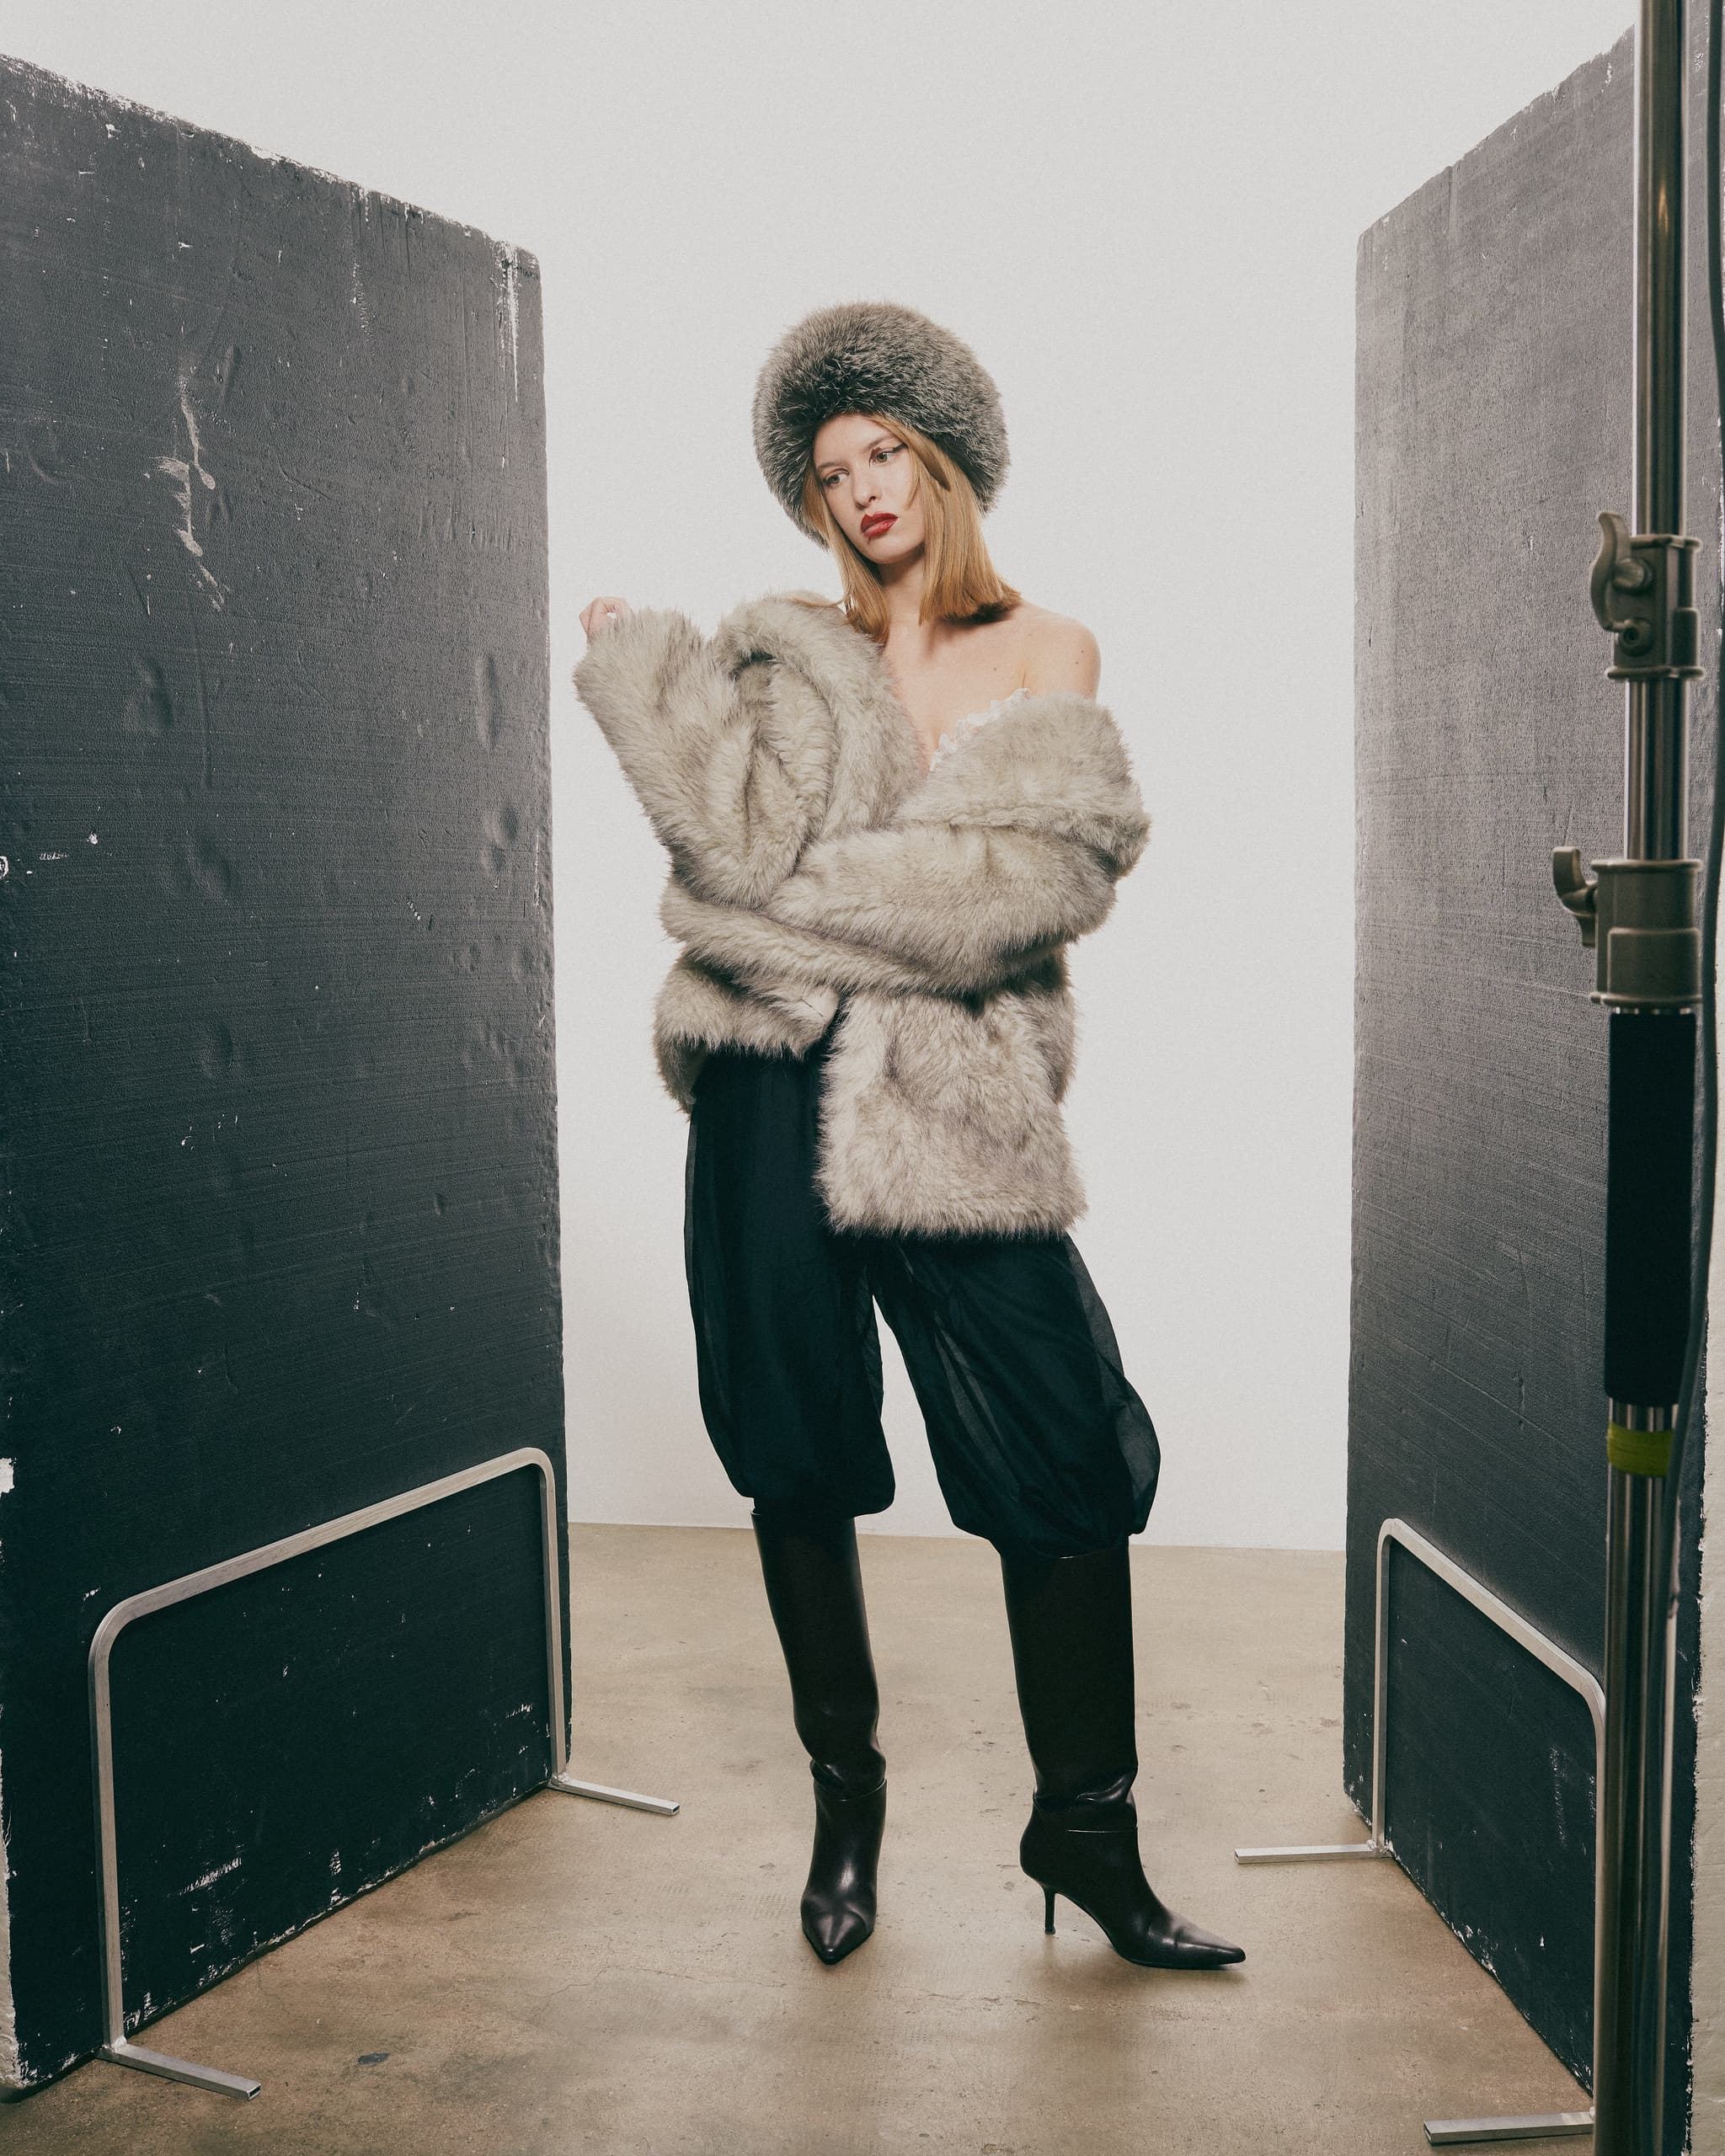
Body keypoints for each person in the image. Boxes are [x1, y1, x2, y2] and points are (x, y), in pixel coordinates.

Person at [574, 300, 1242, 1975]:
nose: (864, 486)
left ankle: (1084, 1825)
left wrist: (780, 906)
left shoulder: (1047, 650)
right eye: (831, 468)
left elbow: (1023, 893)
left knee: (1064, 1458)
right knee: (793, 1443)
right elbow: (722, 847)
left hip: (951, 1095)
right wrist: (643, 683)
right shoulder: (783, 650)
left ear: (943, 461)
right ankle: (843, 1802)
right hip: (763, 1086)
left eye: (887, 451)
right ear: (812, 504)